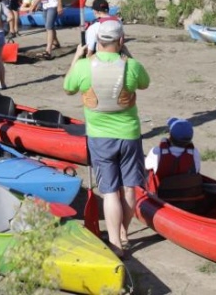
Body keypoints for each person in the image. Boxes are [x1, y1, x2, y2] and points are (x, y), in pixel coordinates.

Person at [63, 20, 150, 258]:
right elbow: (144, 83)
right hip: (129, 135)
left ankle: (115, 244)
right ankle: (124, 233)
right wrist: (128, 55)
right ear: (121, 41)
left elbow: (68, 87)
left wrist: (76, 57)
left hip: (100, 138)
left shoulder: (83, 66)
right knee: (129, 187)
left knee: (111, 191)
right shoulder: (132, 66)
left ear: (97, 41)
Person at [144, 117, 204, 212]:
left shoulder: (157, 152)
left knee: (147, 171)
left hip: (162, 198)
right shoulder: (194, 153)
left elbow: (145, 166)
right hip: (187, 200)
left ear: (170, 136)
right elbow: (196, 171)